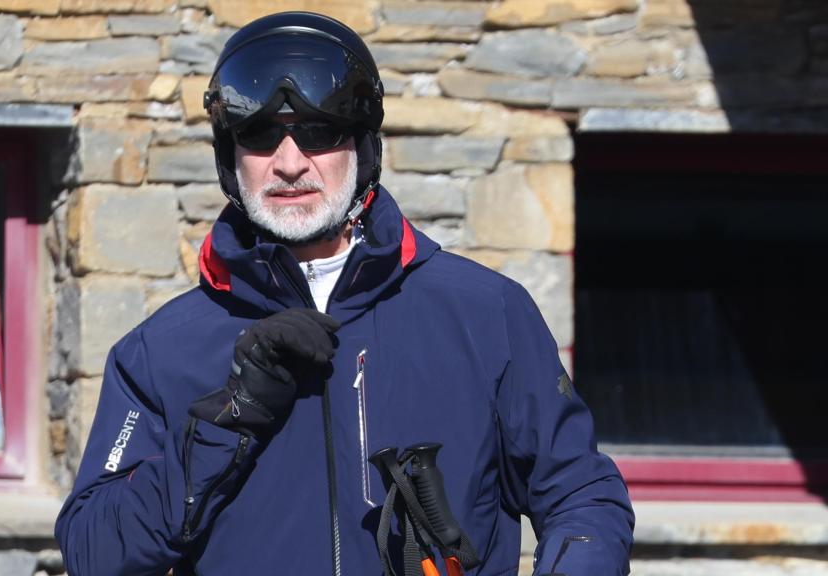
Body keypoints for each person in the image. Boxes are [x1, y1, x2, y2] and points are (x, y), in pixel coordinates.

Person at [55, 11, 634, 576]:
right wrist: (228, 421)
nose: (288, 163)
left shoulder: (485, 314)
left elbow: (583, 496)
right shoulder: (161, 351)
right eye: (259, 136)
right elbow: (93, 551)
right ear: (230, 159)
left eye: (318, 132)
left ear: (363, 148)